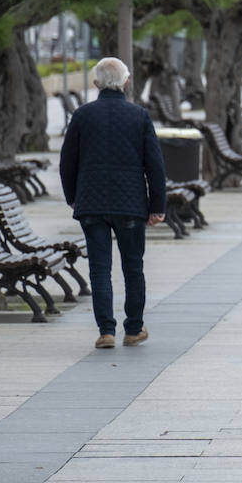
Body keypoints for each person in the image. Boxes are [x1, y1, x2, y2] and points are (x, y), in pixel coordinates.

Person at [58, 58, 167, 350]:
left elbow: (67, 162)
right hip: (130, 205)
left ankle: (106, 331)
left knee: (99, 268)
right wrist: (157, 206)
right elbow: (154, 165)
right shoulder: (139, 116)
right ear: (126, 82)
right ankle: (133, 329)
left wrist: (73, 197)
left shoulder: (82, 116)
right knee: (133, 267)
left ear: (95, 84)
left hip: (91, 204)